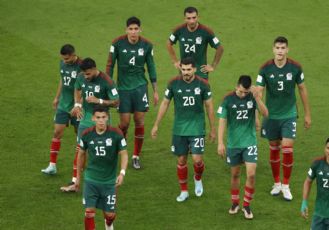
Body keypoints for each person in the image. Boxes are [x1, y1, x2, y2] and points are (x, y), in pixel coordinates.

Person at [151, 57, 215, 202]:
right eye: (183, 69)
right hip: (179, 128)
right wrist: (156, 124)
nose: (185, 72)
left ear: (194, 69)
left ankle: (198, 178)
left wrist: (212, 129)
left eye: (188, 69)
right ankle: (184, 191)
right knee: (181, 160)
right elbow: (165, 103)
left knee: (197, 160)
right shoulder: (173, 83)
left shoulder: (203, 84)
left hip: (197, 127)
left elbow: (209, 106)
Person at [256, 36, 311, 200]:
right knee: (274, 148)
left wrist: (307, 114)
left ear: (287, 50)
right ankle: (277, 183)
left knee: (287, 148)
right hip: (271, 115)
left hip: (289, 114)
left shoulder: (295, 67)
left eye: (283, 48)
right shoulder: (265, 68)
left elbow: (302, 89)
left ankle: (286, 185)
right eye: (277, 48)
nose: (280, 51)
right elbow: (259, 91)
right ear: (273, 49)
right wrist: (257, 114)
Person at [106, 16, 158, 169]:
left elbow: (151, 67)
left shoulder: (147, 45)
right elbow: (110, 65)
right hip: (122, 89)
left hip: (140, 87)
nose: (133, 32)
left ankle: (136, 156)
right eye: (131, 29)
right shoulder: (117, 43)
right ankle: (121, 150)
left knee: (139, 121)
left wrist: (155, 90)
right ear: (126, 30)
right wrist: (108, 87)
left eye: (136, 29)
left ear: (140, 30)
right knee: (124, 123)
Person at [60, 58, 119, 192]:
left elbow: (116, 102)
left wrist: (99, 100)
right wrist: (77, 105)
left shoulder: (107, 81)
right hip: (86, 119)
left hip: (102, 120)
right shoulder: (81, 77)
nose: (86, 77)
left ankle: (106, 180)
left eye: (88, 74)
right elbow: (77, 88)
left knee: (103, 151)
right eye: (84, 74)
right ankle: (75, 182)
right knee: (80, 149)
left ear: (94, 69)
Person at [217, 75, 268, 220]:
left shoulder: (252, 97)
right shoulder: (227, 99)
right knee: (235, 174)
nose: (243, 95)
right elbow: (222, 121)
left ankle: (246, 205)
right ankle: (235, 203)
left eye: (246, 92)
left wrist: (257, 97)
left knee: (251, 174)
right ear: (236, 87)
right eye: (241, 92)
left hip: (249, 142)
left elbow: (266, 113)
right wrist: (220, 142)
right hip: (233, 144)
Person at [75, 106, 128, 230]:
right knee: (89, 212)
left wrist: (122, 173)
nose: (101, 120)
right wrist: (78, 176)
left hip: (109, 182)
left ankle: (108, 224)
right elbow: (81, 155)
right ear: (93, 118)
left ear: (107, 117)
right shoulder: (87, 134)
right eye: (98, 117)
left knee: (110, 215)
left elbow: (124, 154)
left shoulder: (116, 134)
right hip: (91, 180)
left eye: (103, 117)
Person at [42, 44, 82, 175]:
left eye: (67, 58)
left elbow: (85, 87)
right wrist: (56, 97)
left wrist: (78, 105)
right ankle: (52, 165)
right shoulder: (62, 64)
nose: (64, 61)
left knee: (80, 136)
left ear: (73, 54)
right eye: (63, 59)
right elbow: (62, 79)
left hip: (78, 106)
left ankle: (80, 164)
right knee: (57, 132)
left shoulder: (82, 66)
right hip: (63, 105)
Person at [166, 6, 224, 80]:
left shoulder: (206, 31)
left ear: (198, 17)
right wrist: (175, 61)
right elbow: (168, 43)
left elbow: (220, 48)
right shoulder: (179, 29)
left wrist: (213, 66)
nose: (192, 21)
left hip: (200, 73)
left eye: (194, 17)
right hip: (185, 72)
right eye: (189, 18)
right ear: (184, 19)